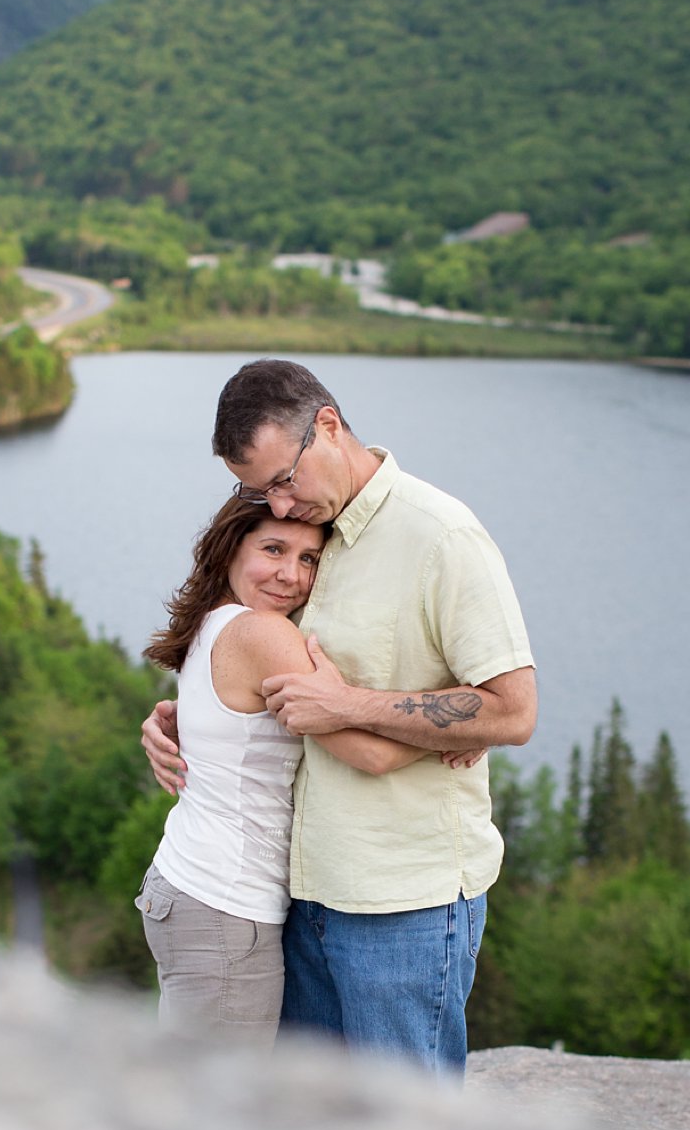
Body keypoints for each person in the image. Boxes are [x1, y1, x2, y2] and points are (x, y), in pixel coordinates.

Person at [142, 359, 536, 1075]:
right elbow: (254, 676)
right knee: (308, 1129)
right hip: (300, 896)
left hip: (402, 906)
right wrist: (187, 721)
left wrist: (359, 708)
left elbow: (513, 710)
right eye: (260, 495)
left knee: (406, 1128)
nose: (282, 508)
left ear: (327, 426)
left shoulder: (440, 537)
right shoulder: (312, 534)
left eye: (285, 482)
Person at [136, 497, 431, 1044]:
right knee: (220, 1102)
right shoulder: (264, 634)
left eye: (310, 559)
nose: (291, 576)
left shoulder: (213, 619)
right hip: (226, 905)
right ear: (229, 549)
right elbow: (371, 754)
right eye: (273, 550)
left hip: (189, 888)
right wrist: (469, 730)